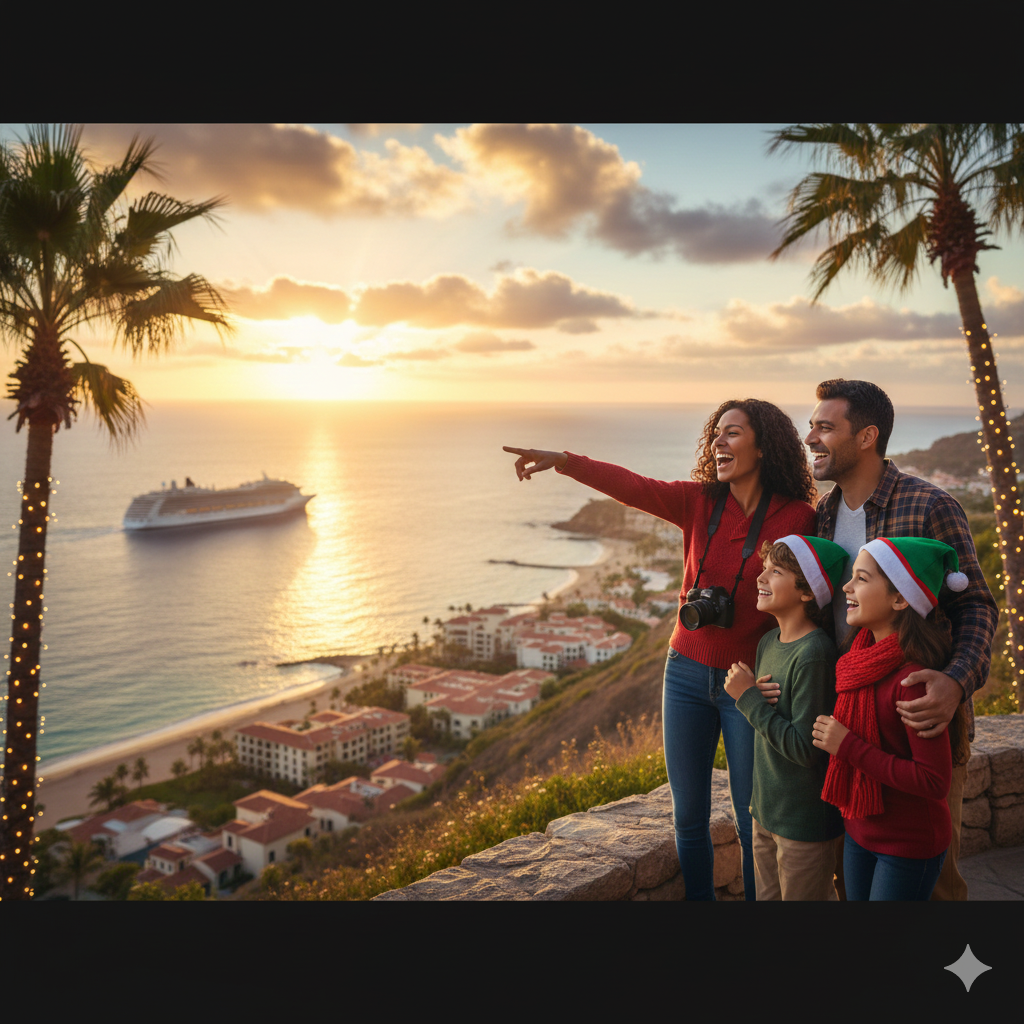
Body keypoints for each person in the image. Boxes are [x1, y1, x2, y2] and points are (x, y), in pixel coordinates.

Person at [504, 398, 818, 900]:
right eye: (716, 433)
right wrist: (564, 460)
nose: (719, 441)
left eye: (733, 433)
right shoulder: (699, 502)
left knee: (750, 815)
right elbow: (633, 486)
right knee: (688, 815)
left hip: (750, 684)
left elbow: (815, 596)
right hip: (686, 674)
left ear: (764, 446)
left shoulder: (799, 516)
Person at [779, 378, 997, 901]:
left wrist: (953, 682)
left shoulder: (929, 504)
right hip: (846, 725)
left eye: (825, 427)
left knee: (935, 886)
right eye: (811, 425)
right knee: (853, 878)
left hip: (915, 726)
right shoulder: (825, 513)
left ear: (867, 436)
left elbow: (976, 605)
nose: (810, 437)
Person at [812, 537, 971, 900]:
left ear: (900, 599)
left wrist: (847, 746)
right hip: (859, 830)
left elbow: (934, 781)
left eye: (862, 579)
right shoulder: (855, 661)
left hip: (908, 844)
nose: (846, 587)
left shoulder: (912, 681)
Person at [724, 535, 847, 900]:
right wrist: (753, 703)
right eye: (764, 569)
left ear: (807, 591)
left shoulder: (814, 654)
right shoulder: (768, 643)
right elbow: (767, 724)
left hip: (804, 823)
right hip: (765, 812)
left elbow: (806, 749)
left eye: (775, 571)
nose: (760, 578)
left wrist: (748, 700)